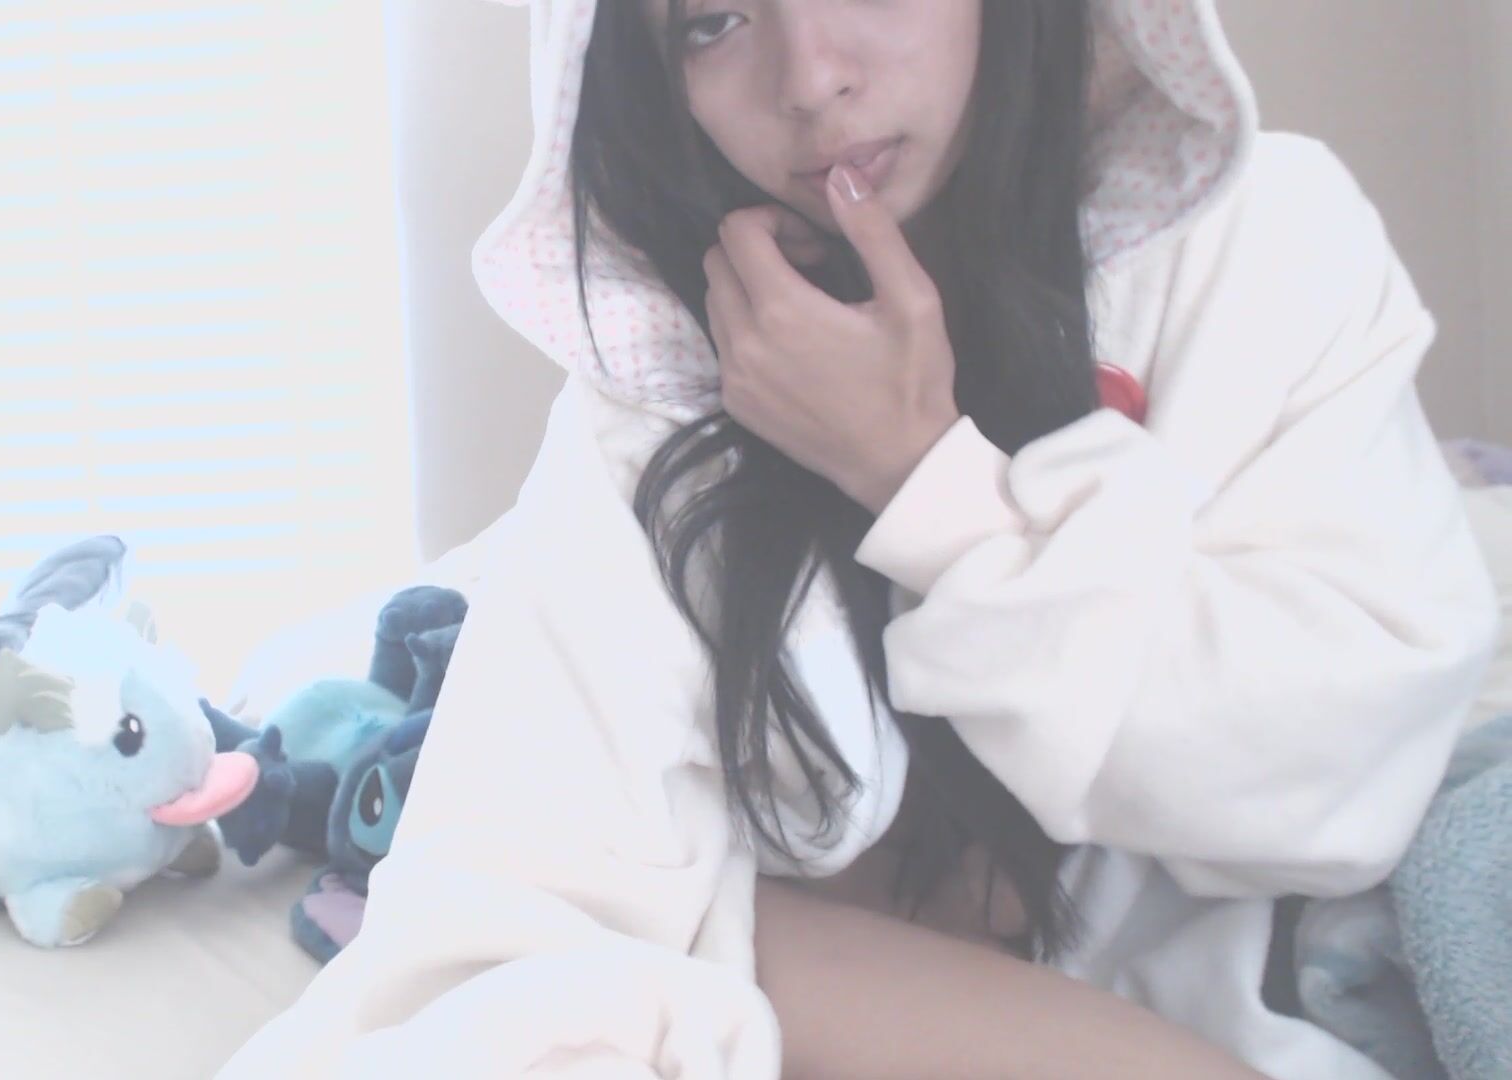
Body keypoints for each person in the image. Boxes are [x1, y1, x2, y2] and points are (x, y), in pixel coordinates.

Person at [226, 1, 1499, 1076]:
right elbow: (494, 938)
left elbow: (1339, 777)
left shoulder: (1261, 239)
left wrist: (924, 482)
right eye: (713, 22)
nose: (811, 78)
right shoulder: (651, 409)